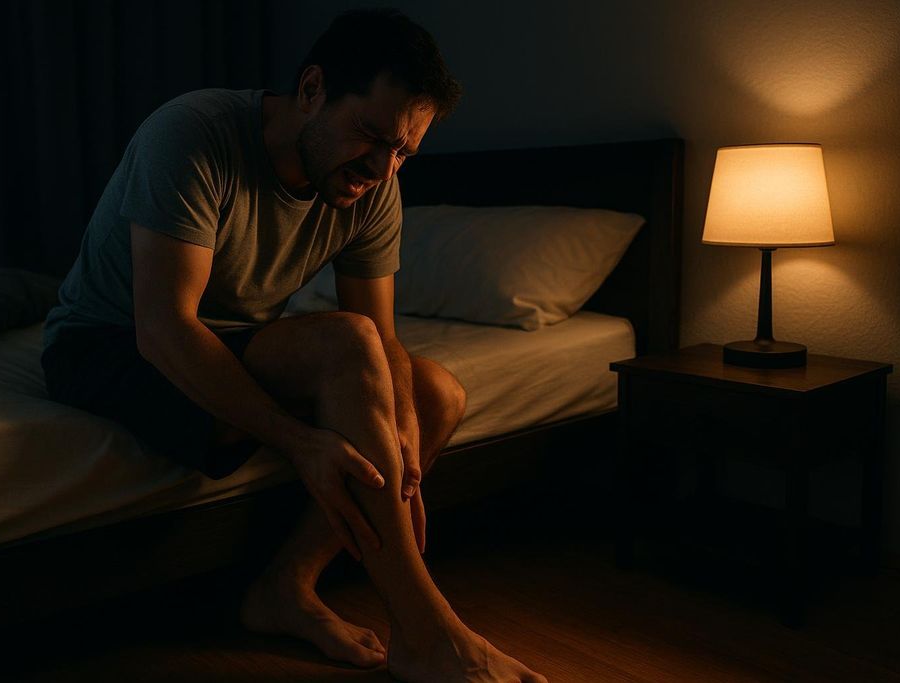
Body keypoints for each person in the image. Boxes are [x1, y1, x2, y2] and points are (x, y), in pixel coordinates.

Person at [42, 8, 546, 682]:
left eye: (403, 152)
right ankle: (428, 633)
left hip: (231, 341)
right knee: (343, 344)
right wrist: (296, 439)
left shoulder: (375, 186)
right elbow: (163, 327)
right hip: (110, 345)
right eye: (372, 134)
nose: (383, 166)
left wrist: (403, 426)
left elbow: (382, 337)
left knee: (433, 392)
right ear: (311, 89)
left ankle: (285, 586)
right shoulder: (194, 134)